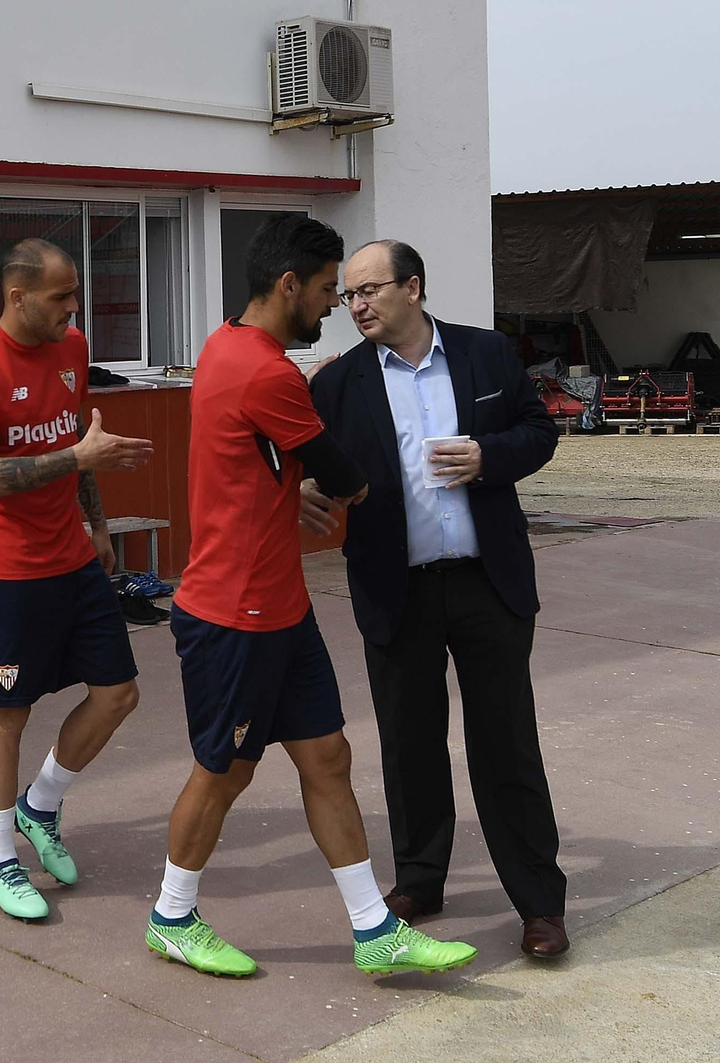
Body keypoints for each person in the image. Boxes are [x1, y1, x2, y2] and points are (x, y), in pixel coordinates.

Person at [145, 216, 480, 979]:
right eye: (330, 288)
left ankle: (375, 929)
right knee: (224, 771)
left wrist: (285, 487)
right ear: (289, 284)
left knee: (327, 754)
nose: (337, 304)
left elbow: (252, 458)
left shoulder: (227, 346)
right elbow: (351, 475)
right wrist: (325, 475)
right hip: (234, 613)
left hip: (280, 606)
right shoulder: (268, 374)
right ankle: (171, 915)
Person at [303, 239, 569, 958]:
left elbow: (539, 432)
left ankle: (540, 902)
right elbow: (312, 465)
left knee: (506, 744)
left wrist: (489, 457)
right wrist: (301, 491)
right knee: (409, 743)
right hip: (398, 588)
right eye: (346, 295)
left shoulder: (486, 355)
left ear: (412, 287)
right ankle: (419, 879)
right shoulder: (337, 383)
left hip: (489, 582)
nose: (355, 305)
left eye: (369, 290)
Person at [0, 238, 152, 921]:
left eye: (76, 296)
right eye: (61, 296)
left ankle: (42, 803)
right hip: (5, 573)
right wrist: (76, 456)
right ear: (18, 295)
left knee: (118, 693)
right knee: (7, 717)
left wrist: (97, 524)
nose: (73, 308)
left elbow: (79, 439)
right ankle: (0, 863)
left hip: (72, 560)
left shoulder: (70, 348)